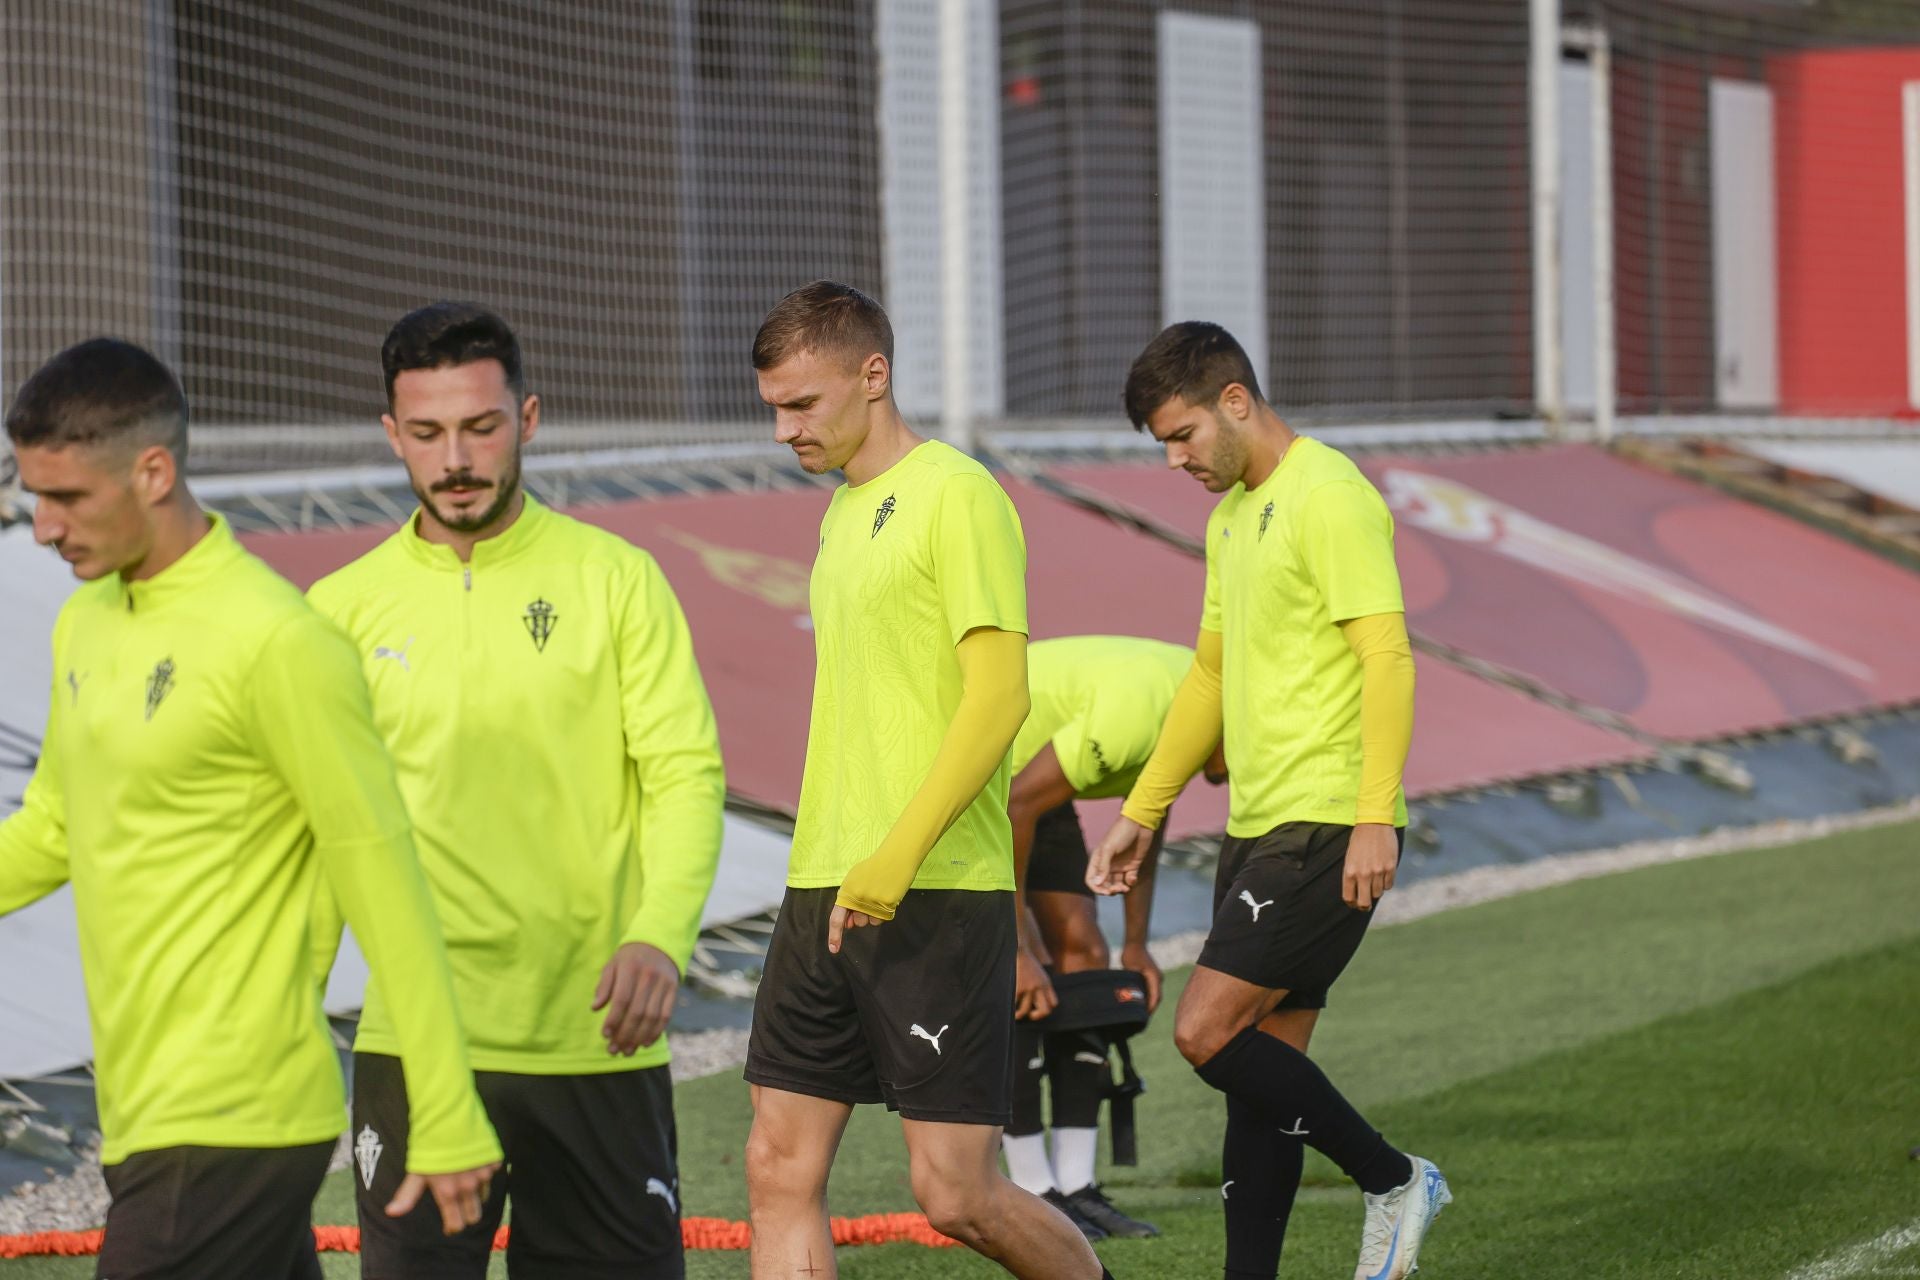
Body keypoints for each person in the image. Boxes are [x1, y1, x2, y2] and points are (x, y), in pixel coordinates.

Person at [0, 338, 501, 1278]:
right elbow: (52, 830)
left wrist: (445, 1105)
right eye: (35, 496)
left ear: (152, 472)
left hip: (233, 1110)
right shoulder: (85, 620)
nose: (42, 527)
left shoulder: (279, 642)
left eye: (65, 497)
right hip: (146, 1104)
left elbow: (384, 877)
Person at [308, 303, 725, 1279]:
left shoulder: (618, 579)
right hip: (416, 1048)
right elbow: (314, 830)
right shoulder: (336, 611)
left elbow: (684, 774)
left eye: (481, 426)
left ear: (529, 418)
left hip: (594, 1039)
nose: (455, 456)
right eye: (427, 432)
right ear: (391, 435)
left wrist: (659, 935)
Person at [742, 281, 1115, 1280]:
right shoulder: (840, 516)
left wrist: (894, 856)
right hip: (824, 876)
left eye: (802, 403)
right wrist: (848, 863)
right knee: (778, 1163)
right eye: (774, 407)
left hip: (935, 884)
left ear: (875, 374)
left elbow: (998, 701)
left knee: (956, 1192)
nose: (785, 429)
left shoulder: (959, 492)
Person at [1088, 322, 1450, 1280]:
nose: (1175, 460)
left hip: (1327, 822)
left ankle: (1393, 1178)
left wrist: (1375, 812)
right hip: (1258, 827)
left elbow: (1388, 656)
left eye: (1183, 435)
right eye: (1162, 444)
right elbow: (1207, 678)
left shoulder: (1328, 496)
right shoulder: (1229, 516)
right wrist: (1144, 808)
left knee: (1203, 1033)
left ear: (1235, 402)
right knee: (1257, 1085)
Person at [1002, 634, 1225, 1241]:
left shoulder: (1199, 712)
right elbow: (1014, 807)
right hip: (975, 783)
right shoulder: (1143, 712)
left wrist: (1136, 943)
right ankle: (1029, 1191)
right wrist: (1017, 948)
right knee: (1022, 977)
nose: (1236, 776)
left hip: (1023, 784)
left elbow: (1147, 815)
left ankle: (1076, 1188)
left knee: (1087, 965)